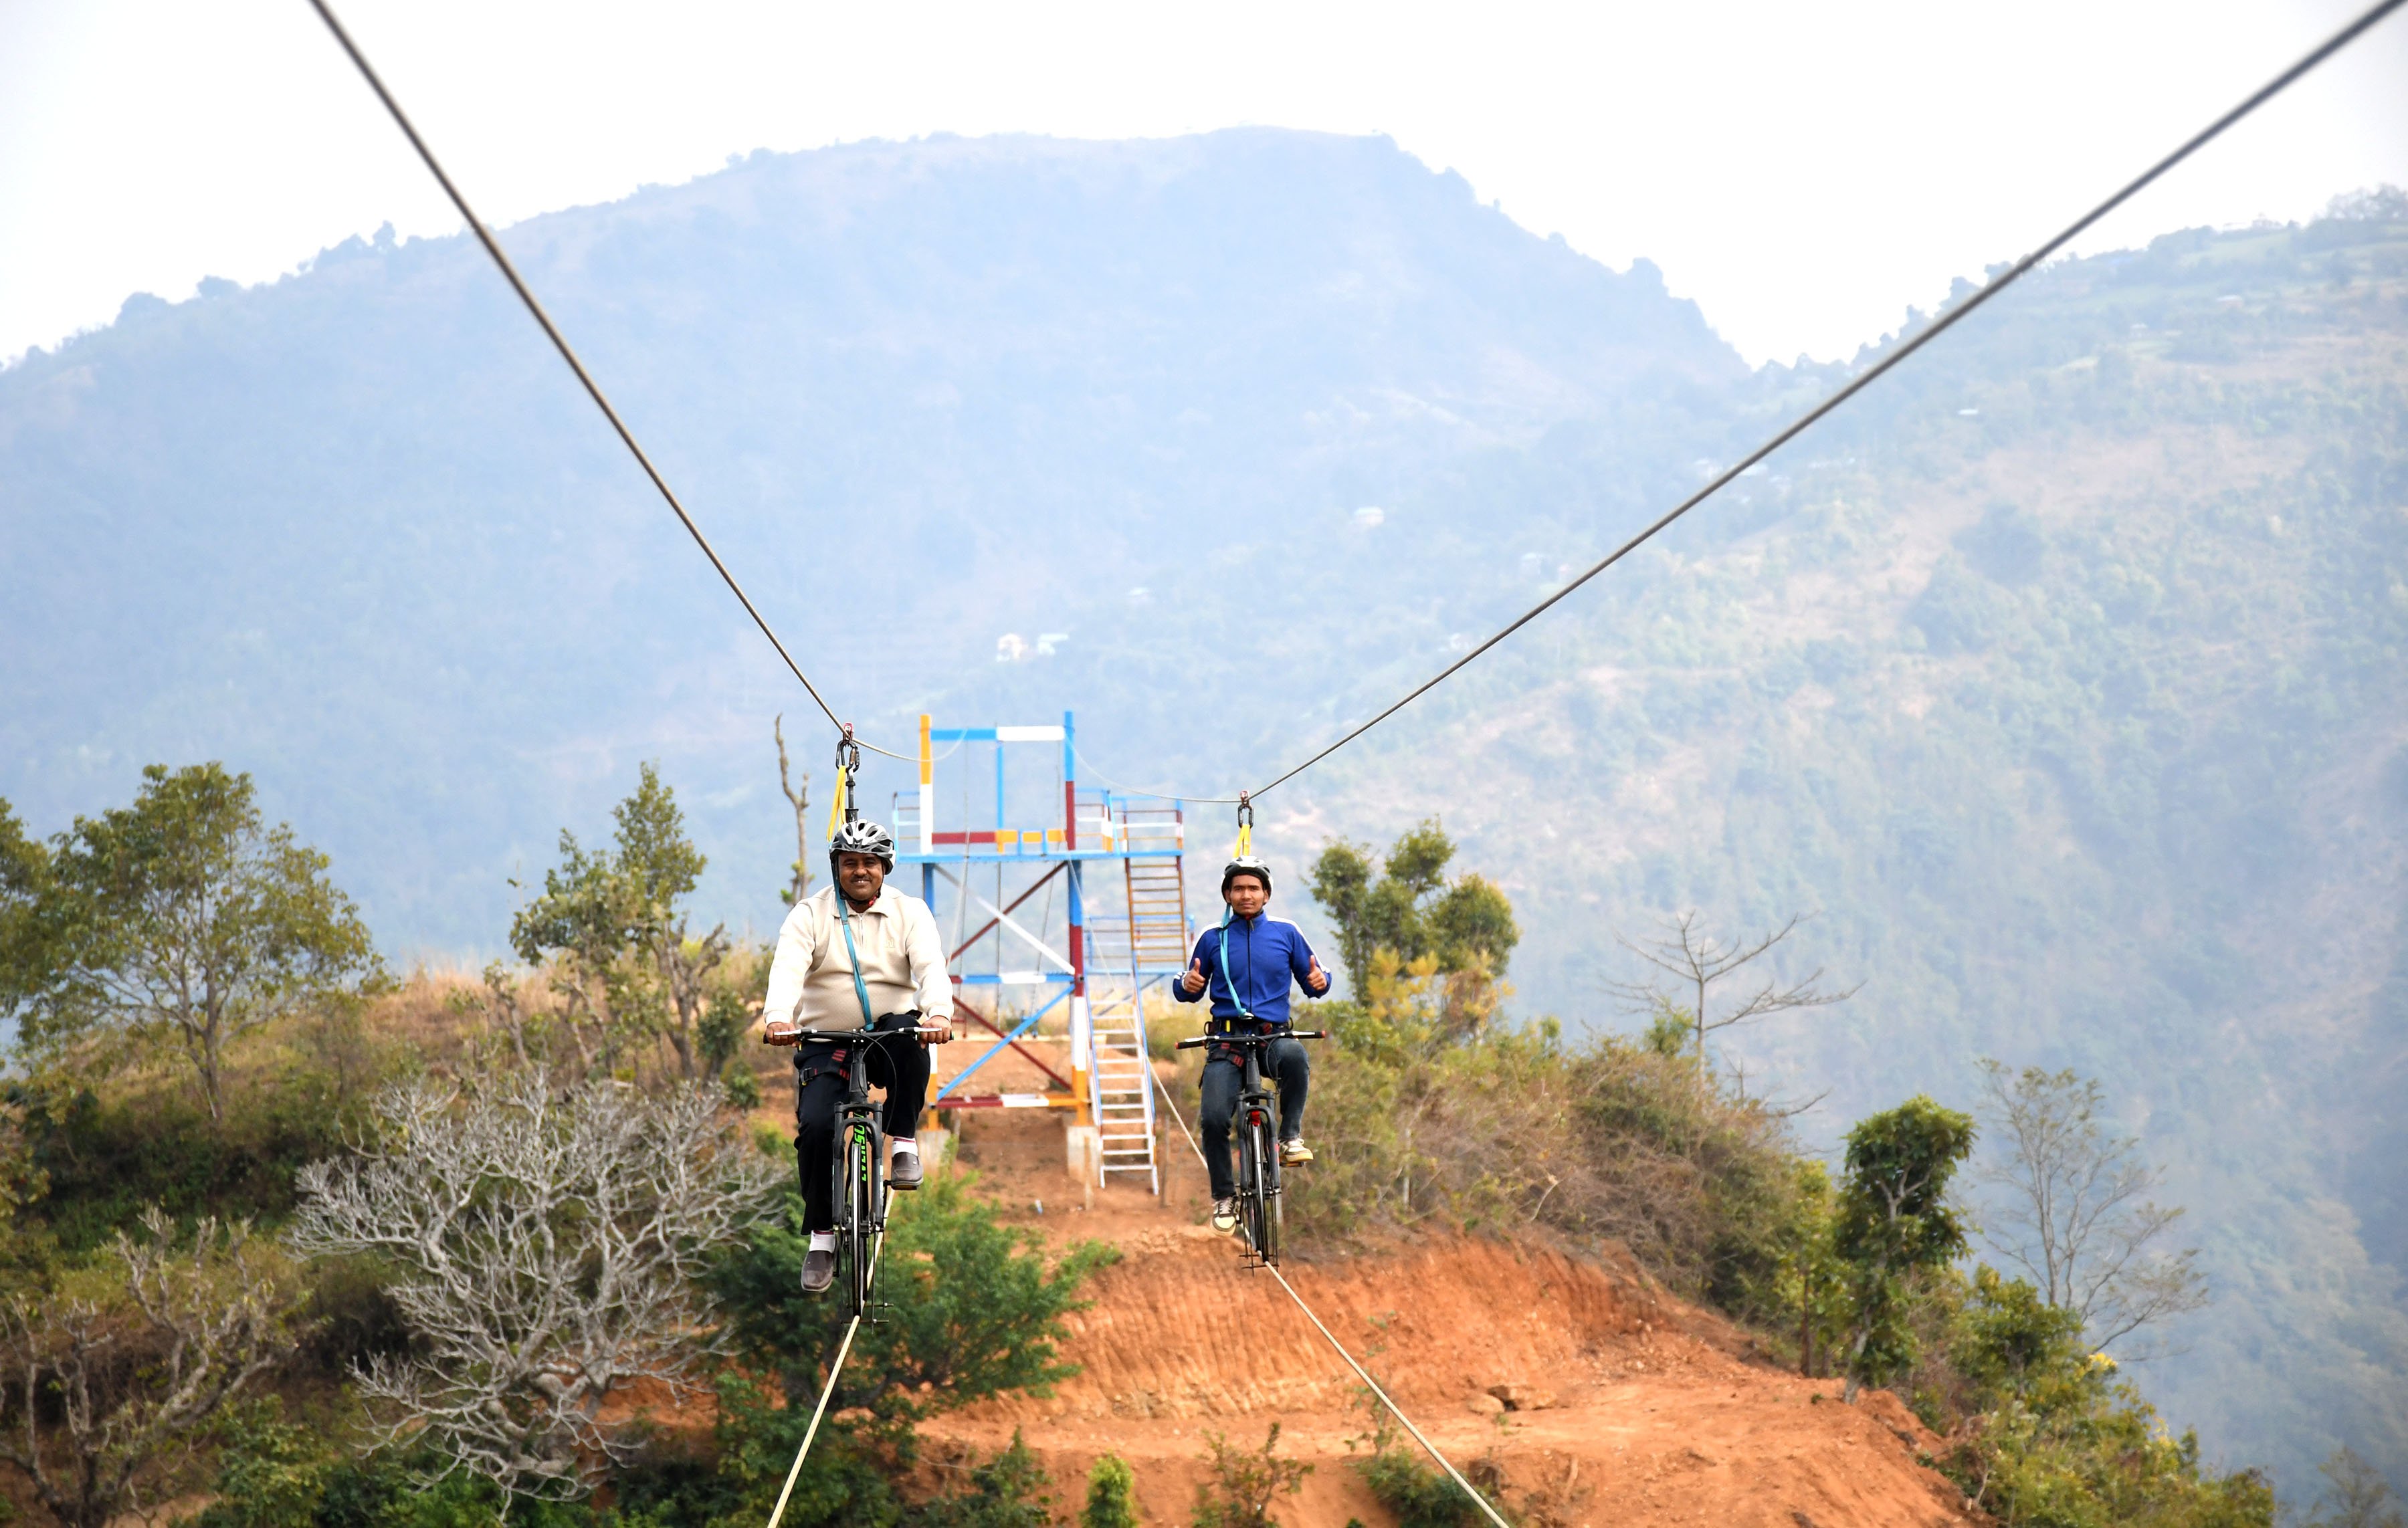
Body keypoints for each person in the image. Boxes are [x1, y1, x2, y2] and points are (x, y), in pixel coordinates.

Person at [761, 818, 953, 1294]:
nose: (860, 871)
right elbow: (787, 968)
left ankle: (903, 1140)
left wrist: (939, 1015)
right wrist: (779, 1018)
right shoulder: (809, 914)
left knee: (911, 1040)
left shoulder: (911, 913)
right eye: (850, 863)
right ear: (837, 867)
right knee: (815, 1131)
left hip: (888, 1032)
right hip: (825, 1039)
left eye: (869, 862)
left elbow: (931, 967)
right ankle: (822, 1238)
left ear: (885, 867)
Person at [1175, 854, 1331, 1234]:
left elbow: (1315, 979)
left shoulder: (1286, 932)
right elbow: (1188, 987)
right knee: (1213, 1118)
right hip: (1226, 1040)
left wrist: (1320, 981)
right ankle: (1224, 1198)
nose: (1247, 895)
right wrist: (1185, 986)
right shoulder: (1213, 938)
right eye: (1239, 888)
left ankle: (1291, 1137)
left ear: (1266, 894)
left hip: (1271, 1036)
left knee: (1295, 1057)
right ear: (1228, 894)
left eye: (1254, 888)